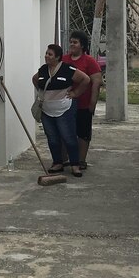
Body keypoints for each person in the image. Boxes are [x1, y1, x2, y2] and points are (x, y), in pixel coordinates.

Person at [33, 43, 91, 178]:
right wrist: (42, 93)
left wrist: (75, 93)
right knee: (52, 138)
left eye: (50, 54)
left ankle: (75, 165)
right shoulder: (42, 70)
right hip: (46, 111)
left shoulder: (67, 69)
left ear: (57, 57)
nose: (47, 56)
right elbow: (35, 79)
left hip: (64, 109)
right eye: (46, 53)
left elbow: (85, 79)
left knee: (69, 137)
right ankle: (57, 162)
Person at [59, 31, 103, 170]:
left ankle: (81, 160)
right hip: (64, 104)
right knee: (64, 132)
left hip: (83, 103)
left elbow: (96, 82)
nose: (72, 44)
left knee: (83, 133)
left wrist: (93, 103)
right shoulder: (64, 59)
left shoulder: (89, 61)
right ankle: (64, 159)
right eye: (71, 41)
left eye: (75, 42)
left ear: (82, 45)